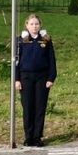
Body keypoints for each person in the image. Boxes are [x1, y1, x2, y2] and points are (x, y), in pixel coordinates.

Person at [15, 14, 56, 147]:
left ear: (40, 26)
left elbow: (51, 60)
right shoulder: (21, 41)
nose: (34, 26)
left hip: (42, 78)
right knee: (28, 107)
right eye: (31, 24)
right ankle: (28, 137)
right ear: (27, 25)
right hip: (25, 77)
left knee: (40, 107)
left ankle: (37, 136)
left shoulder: (46, 40)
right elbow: (16, 61)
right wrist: (17, 79)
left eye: (36, 24)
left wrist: (51, 77)